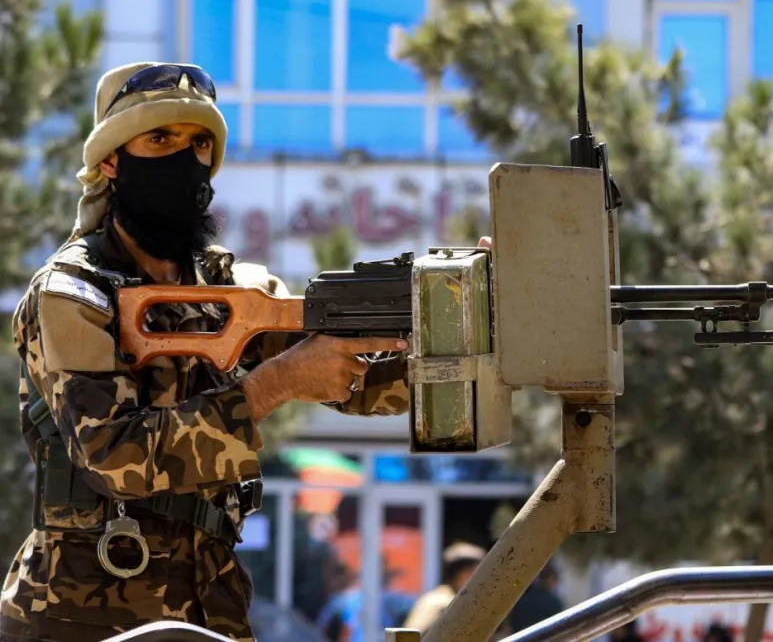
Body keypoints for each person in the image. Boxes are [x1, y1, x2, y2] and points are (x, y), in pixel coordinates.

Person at [0, 62, 484, 642]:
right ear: (110, 162)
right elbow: (114, 456)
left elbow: (362, 384)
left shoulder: (226, 285)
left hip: (209, 606)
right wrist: (274, 384)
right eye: (160, 140)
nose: (184, 158)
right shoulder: (74, 291)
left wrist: (473, 320)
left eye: (200, 143)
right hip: (81, 614)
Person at [403, 542, 487, 634]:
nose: (479, 577)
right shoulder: (441, 602)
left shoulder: (450, 598)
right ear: (457, 574)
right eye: (473, 571)